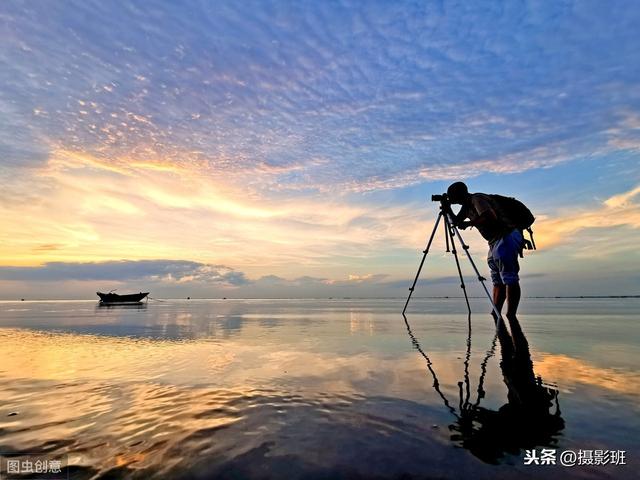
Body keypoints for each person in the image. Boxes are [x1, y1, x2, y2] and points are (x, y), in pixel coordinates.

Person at [446, 182, 524, 321]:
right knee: (497, 279)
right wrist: (448, 209)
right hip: (494, 241)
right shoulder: (467, 206)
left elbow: (489, 215)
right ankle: (496, 313)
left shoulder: (477, 199)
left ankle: (511, 316)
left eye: (451, 194)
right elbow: (456, 222)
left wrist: (470, 223)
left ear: (459, 194)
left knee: (509, 276)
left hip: (506, 236)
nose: (449, 197)